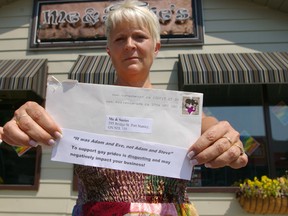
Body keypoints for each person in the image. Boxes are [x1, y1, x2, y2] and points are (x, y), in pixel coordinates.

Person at [0, 0, 248, 215]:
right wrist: (18, 133)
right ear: (109, 50)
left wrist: (230, 143)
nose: (130, 44)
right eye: (120, 38)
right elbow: (29, 139)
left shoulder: (181, 112)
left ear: (156, 47)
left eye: (140, 36)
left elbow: (210, 128)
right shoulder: (82, 107)